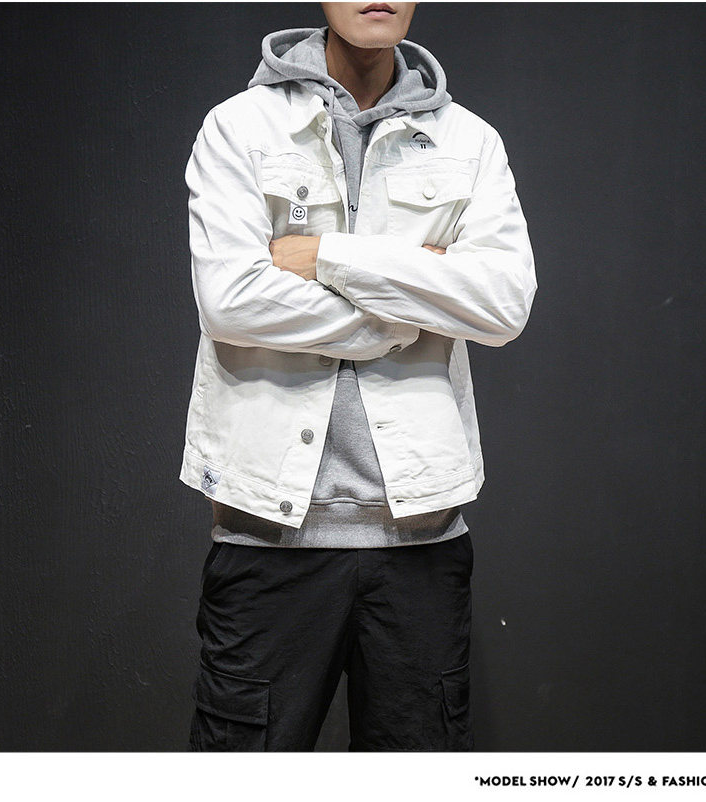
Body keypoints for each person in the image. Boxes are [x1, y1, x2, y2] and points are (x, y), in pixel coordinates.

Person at [181, 2, 536, 751]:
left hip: (422, 542)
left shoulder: (468, 141)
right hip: (268, 538)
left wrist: (329, 257)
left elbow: (503, 304)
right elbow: (232, 300)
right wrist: (412, 305)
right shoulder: (240, 128)